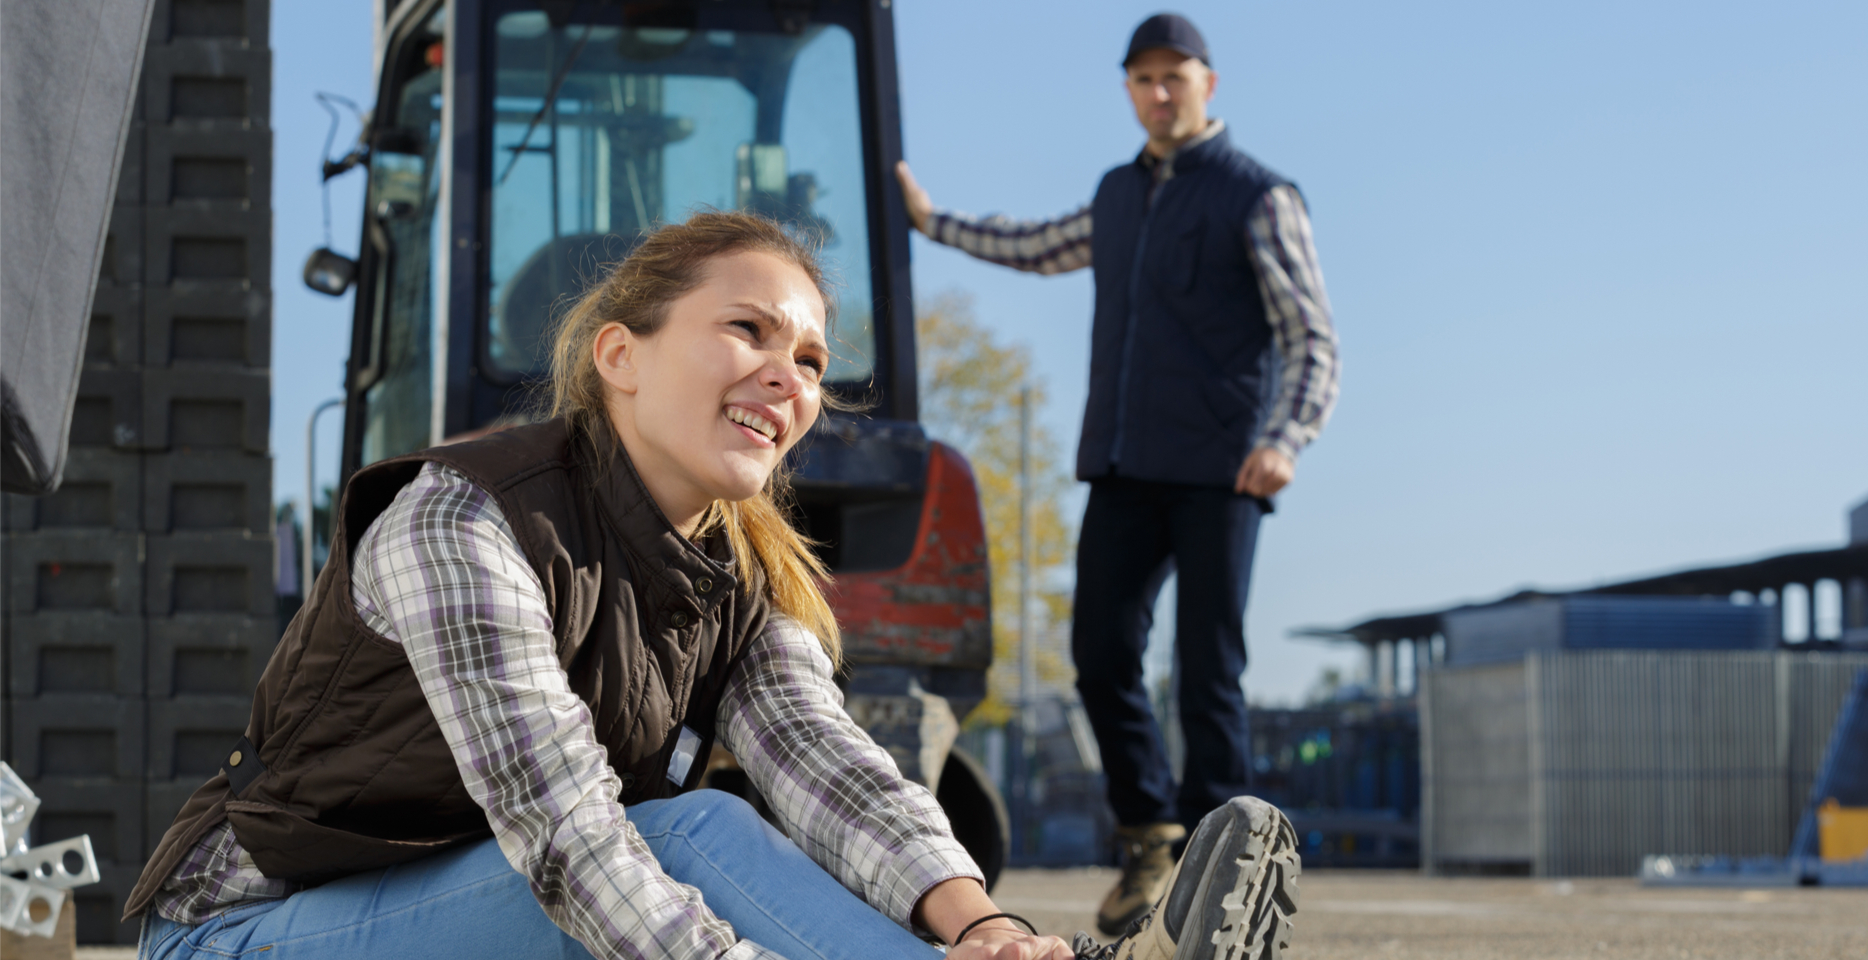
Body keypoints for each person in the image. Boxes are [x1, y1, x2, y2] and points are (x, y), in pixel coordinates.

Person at [122, 211, 1298, 960]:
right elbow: (568, 837)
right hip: (244, 935)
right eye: (747, 330)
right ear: (620, 359)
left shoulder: (737, 575)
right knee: (675, 839)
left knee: (704, 830)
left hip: (457, 906)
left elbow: (833, 772)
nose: (786, 377)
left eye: (810, 361)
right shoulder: (464, 519)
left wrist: (981, 923)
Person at [896, 12, 1337, 936]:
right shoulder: (1116, 195)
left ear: (1208, 85)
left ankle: (1231, 863)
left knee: (1207, 669)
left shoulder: (1258, 196)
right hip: (1124, 464)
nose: (1159, 94)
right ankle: (1150, 841)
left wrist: (1285, 440)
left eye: (1175, 78)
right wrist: (933, 223)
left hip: (1224, 470)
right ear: (1130, 90)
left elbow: (1312, 337)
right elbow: (1039, 245)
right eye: (1143, 80)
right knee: (1099, 653)